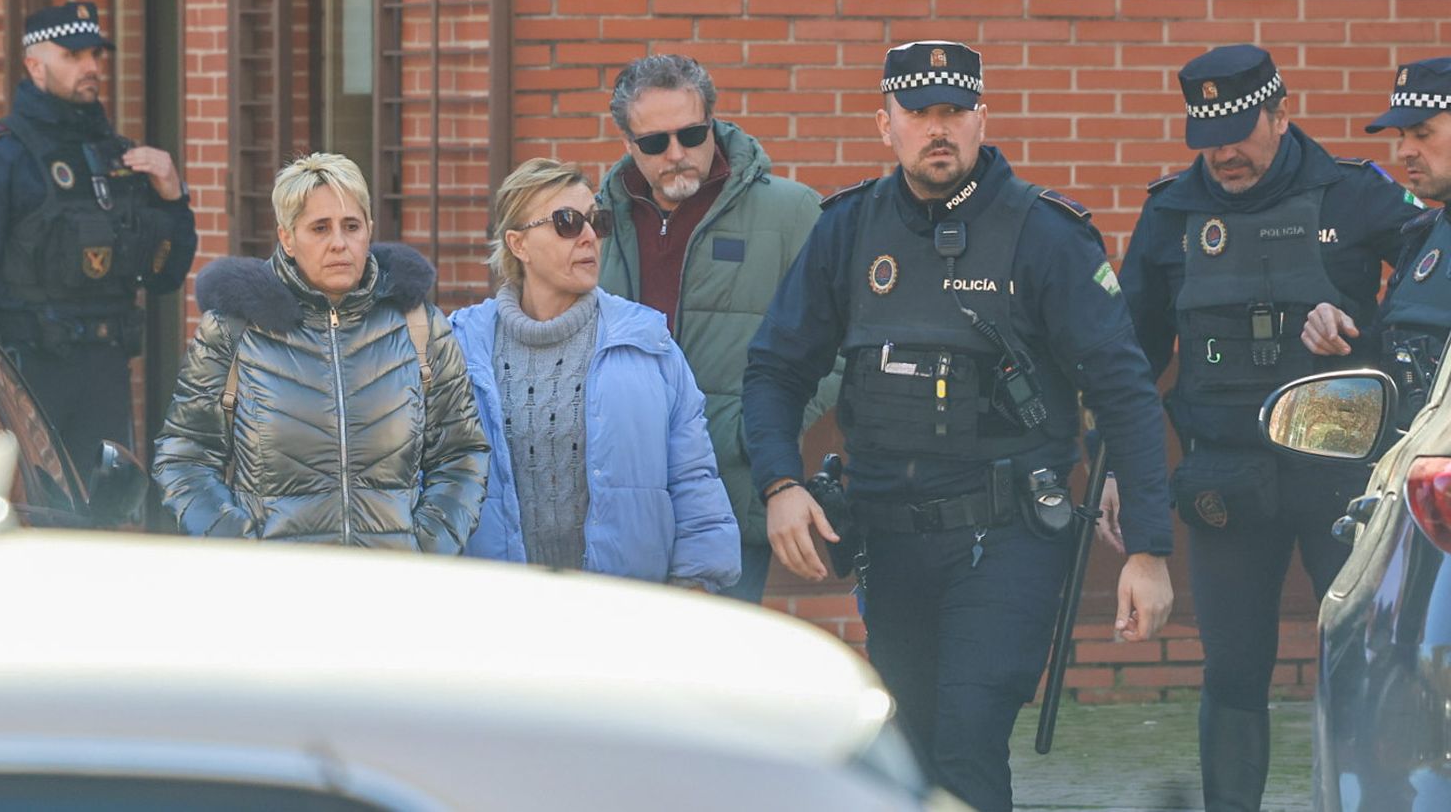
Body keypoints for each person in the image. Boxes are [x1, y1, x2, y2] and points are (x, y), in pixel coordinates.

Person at [744, 40, 1174, 812]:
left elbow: (1125, 391)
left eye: (954, 111)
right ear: (886, 125)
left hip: (1008, 537)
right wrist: (780, 483)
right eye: (918, 113)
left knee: (967, 741)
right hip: (890, 538)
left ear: (983, 118)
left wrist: (1148, 549)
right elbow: (776, 368)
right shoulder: (849, 229)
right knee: (909, 750)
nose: (937, 128)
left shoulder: (1045, 232)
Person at [1119, 44, 1419, 812]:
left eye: (1238, 133)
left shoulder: (1355, 195)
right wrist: (1115, 464)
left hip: (1343, 478)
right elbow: (1128, 359)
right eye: (1207, 138)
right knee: (1232, 674)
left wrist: (1364, 339)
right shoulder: (1171, 212)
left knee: (1365, 667)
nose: (1223, 153)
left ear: (1281, 115)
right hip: (1225, 480)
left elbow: (1430, 296)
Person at [152, 152, 489, 549]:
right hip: (279, 582)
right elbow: (185, 458)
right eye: (320, 228)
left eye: (352, 226)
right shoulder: (234, 329)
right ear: (287, 238)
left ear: (369, 230)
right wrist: (243, 552)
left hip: (393, 580)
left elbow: (461, 455)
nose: (339, 243)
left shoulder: (418, 327)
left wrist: (426, 547)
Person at [596, 54, 838, 602]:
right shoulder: (597, 222)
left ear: (713, 123)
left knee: (712, 653)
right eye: (655, 142)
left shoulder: (791, 212)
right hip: (618, 499)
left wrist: (756, 432)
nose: (676, 153)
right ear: (628, 143)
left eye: (691, 134)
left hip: (730, 491)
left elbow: (842, 344)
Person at [0, 1, 197, 482]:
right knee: (28, 509)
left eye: (95, 54)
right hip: (26, 373)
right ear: (35, 66)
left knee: (104, 514)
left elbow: (164, 275)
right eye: (72, 56)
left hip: (104, 377)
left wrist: (174, 198)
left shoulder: (117, 158)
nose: (90, 67)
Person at [449, 158, 740, 590]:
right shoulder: (460, 345)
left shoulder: (647, 341)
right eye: (567, 222)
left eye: (597, 221)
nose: (589, 236)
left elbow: (693, 477)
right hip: (496, 607)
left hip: (623, 608)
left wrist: (695, 586)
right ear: (518, 244)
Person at [1302, 57, 1451, 427]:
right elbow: (1386, 365)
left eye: (1422, 134)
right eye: (1402, 136)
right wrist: (1338, 337)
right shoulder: (1423, 238)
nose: (1404, 151)